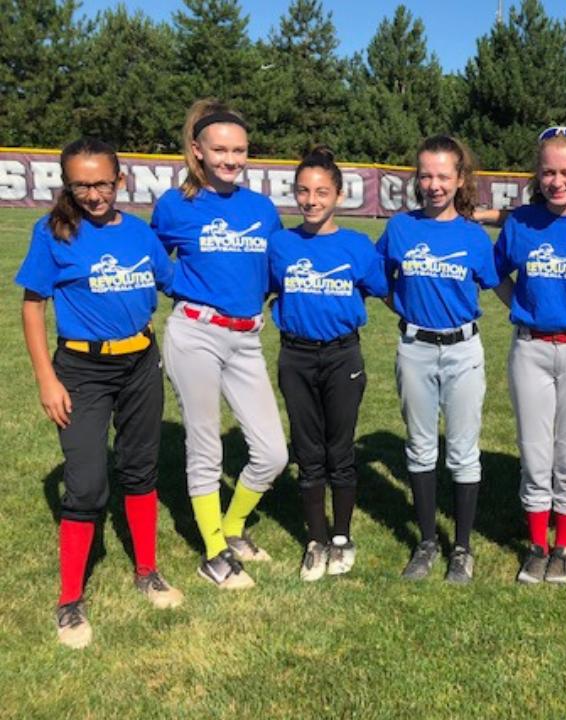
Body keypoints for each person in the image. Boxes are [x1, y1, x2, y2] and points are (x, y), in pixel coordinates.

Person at [17, 138, 182, 649]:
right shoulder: (53, 233)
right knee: (86, 484)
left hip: (139, 364)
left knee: (139, 467)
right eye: (82, 184)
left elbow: (172, 280)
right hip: (82, 370)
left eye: (102, 182)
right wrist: (47, 378)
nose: (93, 193)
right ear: (67, 184)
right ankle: (70, 600)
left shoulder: (139, 233)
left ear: (121, 181)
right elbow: (32, 306)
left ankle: (147, 570)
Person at [152, 98, 288, 590]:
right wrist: (176, 287)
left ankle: (231, 528)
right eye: (221, 150)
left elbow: (272, 268)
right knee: (205, 446)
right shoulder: (175, 205)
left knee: (273, 453)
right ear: (197, 150)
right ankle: (213, 554)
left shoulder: (261, 207)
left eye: (240, 150)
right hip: (196, 334)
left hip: (247, 338)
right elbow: (151, 260)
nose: (232, 159)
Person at [377, 135, 500, 585]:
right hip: (415, 348)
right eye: (426, 175)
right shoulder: (400, 228)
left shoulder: (472, 235)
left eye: (443, 176)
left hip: (464, 349)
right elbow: (377, 278)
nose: (433, 184)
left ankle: (462, 548)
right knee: (421, 445)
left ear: (459, 179)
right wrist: (405, 310)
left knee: (464, 451)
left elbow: (493, 283)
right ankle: (427, 541)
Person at [492, 126, 566, 584]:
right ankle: (538, 546)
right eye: (547, 172)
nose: (556, 181)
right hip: (531, 348)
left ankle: (564, 547)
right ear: (536, 175)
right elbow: (495, 272)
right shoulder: (521, 222)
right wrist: (523, 306)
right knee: (535, 454)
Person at [267, 147, 388, 581]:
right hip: (295, 355)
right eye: (303, 191)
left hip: (342, 355)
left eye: (321, 192)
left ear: (338, 194)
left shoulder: (356, 245)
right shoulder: (281, 244)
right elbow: (263, 289)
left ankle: (341, 537)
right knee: (308, 450)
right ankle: (315, 541)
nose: (311, 200)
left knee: (340, 449)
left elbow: (378, 289)